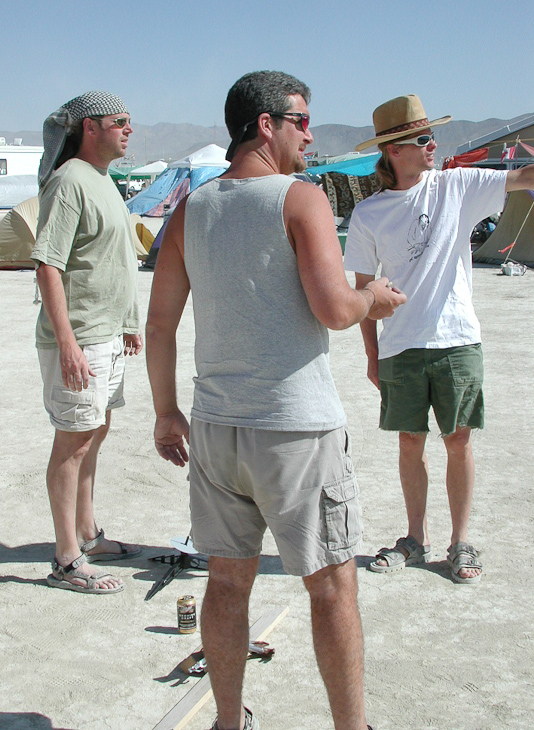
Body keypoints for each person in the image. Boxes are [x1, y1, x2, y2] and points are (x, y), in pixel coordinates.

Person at [146, 70, 405, 730]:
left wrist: (166, 411)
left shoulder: (189, 209)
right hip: (294, 430)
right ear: (266, 124)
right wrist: (371, 298)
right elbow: (334, 307)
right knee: (332, 585)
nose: (310, 134)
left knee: (228, 583)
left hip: (215, 430)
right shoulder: (301, 198)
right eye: (302, 121)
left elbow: (159, 324)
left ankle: (227, 722)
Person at [344, 94, 534, 584]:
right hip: (402, 347)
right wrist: (371, 355)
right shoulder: (368, 214)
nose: (435, 145)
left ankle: (459, 541)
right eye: (423, 139)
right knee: (410, 442)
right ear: (395, 151)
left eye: (433, 136)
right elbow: (364, 291)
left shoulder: (458, 185)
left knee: (459, 440)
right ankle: (414, 537)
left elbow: (523, 179)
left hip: (457, 340)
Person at [32, 91, 143, 595]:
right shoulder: (69, 181)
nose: (129, 130)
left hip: (106, 336)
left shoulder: (102, 181)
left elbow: (108, 260)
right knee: (73, 443)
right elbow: (49, 265)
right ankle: (66, 559)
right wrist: (68, 343)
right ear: (90, 127)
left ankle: (88, 534)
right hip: (78, 340)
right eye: (120, 121)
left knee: (93, 435)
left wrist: (127, 321)